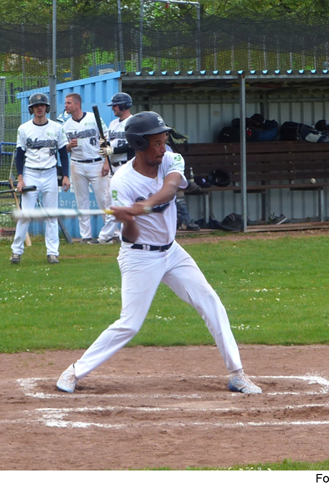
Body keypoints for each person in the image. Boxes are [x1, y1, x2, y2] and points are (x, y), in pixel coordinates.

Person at [56, 111, 262, 396]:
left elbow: (170, 188)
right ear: (139, 145)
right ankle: (74, 371)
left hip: (172, 252)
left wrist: (141, 207)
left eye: (164, 141)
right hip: (139, 256)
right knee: (129, 324)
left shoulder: (170, 159)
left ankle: (237, 374)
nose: (163, 148)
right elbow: (131, 237)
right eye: (156, 143)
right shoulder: (122, 183)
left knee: (211, 302)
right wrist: (128, 219)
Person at [11, 93, 70, 264]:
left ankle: (53, 252)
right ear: (31, 109)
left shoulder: (56, 128)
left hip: (50, 173)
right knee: (26, 214)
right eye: (36, 106)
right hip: (31, 173)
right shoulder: (24, 129)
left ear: (47, 108)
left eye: (42, 105)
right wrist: (20, 179)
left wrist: (65, 175)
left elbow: (63, 154)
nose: (39, 108)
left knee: (51, 214)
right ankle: (16, 251)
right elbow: (20, 156)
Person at [62, 92, 113, 244]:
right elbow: (63, 150)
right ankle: (86, 236)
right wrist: (69, 146)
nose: (66, 106)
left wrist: (106, 162)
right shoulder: (66, 126)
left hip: (96, 162)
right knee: (81, 201)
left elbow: (106, 140)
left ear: (77, 104)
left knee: (103, 199)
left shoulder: (93, 118)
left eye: (68, 103)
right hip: (77, 164)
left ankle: (110, 234)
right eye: (65, 103)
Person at [94, 92, 135, 244]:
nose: (113, 109)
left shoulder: (133, 121)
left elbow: (132, 145)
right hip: (113, 167)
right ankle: (110, 236)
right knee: (109, 202)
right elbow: (108, 144)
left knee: (123, 202)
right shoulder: (112, 124)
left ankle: (107, 236)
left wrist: (113, 150)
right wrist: (105, 149)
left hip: (126, 166)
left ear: (124, 105)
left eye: (116, 106)